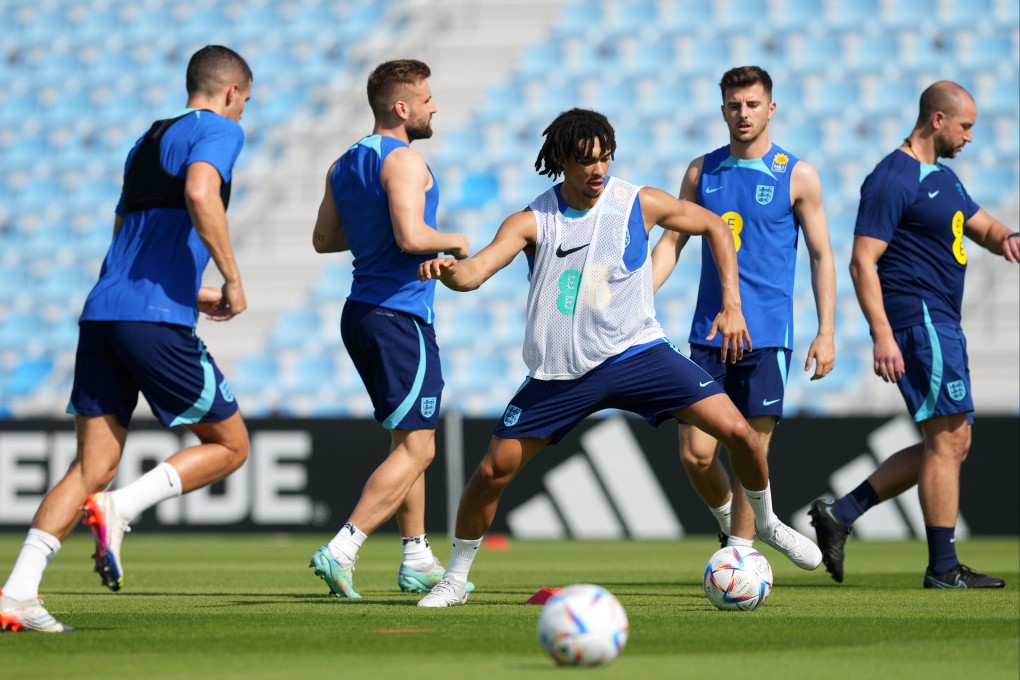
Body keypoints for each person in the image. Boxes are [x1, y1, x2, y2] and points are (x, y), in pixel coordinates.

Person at [414, 108, 822, 608]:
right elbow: (475, 272)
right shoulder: (532, 220)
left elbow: (715, 227)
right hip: (563, 372)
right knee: (492, 472)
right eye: (586, 161)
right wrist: (449, 272)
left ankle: (766, 522)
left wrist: (732, 304)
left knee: (739, 433)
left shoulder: (639, 201)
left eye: (605, 158)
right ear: (562, 160)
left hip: (638, 353)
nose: (598, 170)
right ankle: (455, 580)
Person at [0, 45, 254, 632]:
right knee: (232, 444)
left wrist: (196, 292)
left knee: (91, 465)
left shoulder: (145, 141)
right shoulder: (219, 129)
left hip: (105, 313)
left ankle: (17, 592)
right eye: (244, 104)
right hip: (154, 319)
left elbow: (126, 240)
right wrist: (232, 280)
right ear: (232, 93)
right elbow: (199, 193)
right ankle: (123, 508)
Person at [809, 81, 1019, 588]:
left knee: (946, 442)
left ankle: (842, 514)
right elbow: (863, 261)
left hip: (942, 320)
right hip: (919, 320)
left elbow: (983, 227)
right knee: (950, 439)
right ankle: (943, 569)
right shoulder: (892, 177)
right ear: (938, 120)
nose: (970, 137)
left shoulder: (942, 180)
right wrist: (882, 335)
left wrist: (1009, 237)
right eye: (965, 126)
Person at [651, 66, 836, 551]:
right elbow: (671, 243)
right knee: (695, 453)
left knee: (749, 451)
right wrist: (636, 294)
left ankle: (740, 556)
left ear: (770, 108)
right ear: (723, 111)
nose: (743, 114)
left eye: (753, 104)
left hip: (767, 334)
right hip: (709, 332)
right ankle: (735, 522)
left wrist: (827, 330)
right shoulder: (701, 171)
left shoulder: (797, 175)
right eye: (734, 105)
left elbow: (821, 256)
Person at [308, 59, 472, 599]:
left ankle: (417, 556)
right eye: (426, 98)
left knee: (408, 439)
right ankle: (344, 548)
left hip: (360, 312)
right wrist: (456, 241)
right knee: (420, 449)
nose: (434, 106)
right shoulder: (402, 160)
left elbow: (326, 239)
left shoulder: (344, 162)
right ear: (401, 108)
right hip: (398, 315)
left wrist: (378, 233)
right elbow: (410, 236)